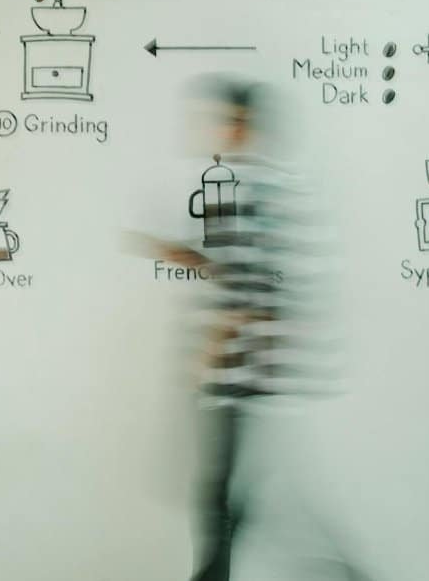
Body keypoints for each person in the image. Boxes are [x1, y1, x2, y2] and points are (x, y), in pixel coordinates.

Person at [149, 77, 352, 580]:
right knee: (234, 496)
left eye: (222, 121)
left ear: (243, 126)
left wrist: (218, 342)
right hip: (250, 372)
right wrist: (185, 255)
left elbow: (260, 282)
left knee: (226, 496)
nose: (212, 131)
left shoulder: (252, 189)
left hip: (241, 372)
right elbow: (244, 269)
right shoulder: (261, 185)